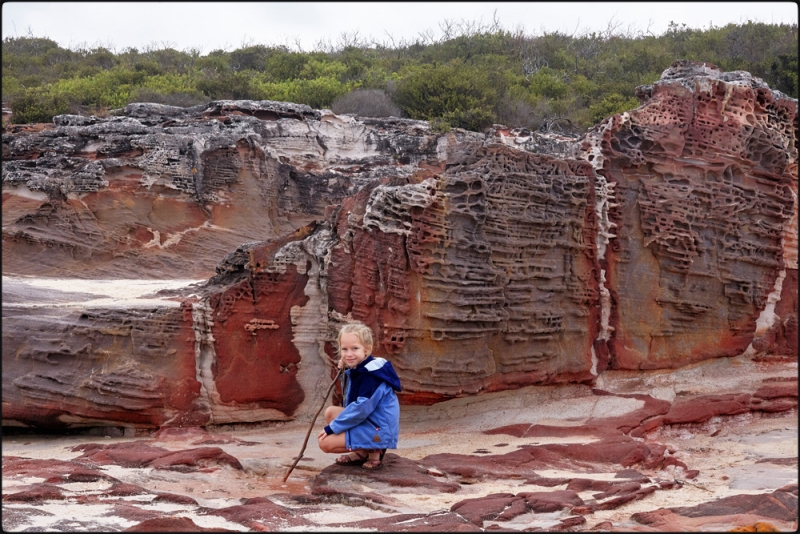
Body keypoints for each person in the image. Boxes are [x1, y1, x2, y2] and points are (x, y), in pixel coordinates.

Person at [317, 321, 402, 470]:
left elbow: (360, 409)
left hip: (378, 430)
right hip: (370, 421)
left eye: (354, 348)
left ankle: (375, 449)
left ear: (367, 349)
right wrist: (345, 372)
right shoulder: (362, 368)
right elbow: (350, 397)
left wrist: (333, 428)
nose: (349, 354)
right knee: (331, 413)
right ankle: (362, 452)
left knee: (324, 443)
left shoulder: (371, 375)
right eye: (344, 349)